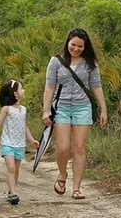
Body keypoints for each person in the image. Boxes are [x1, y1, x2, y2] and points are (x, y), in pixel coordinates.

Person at [42, 28, 108, 200]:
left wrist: (103, 109)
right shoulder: (56, 61)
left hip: (82, 107)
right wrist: (46, 110)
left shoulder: (90, 63)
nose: (76, 49)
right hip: (61, 107)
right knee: (63, 148)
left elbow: (96, 86)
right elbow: (49, 87)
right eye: (73, 45)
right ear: (67, 43)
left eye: (80, 46)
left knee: (79, 147)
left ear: (85, 47)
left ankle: (77, 188)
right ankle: (62, 175)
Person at [0, 80, 39, 205]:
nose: (23, 91)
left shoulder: (23, 110)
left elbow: (24, 127)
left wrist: (32, 140)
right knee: (11, 168)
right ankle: (13, 193)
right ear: (15, 94)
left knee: (17, 169)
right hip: (8, 143)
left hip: (20, 144)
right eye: (21, 89)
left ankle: (11, 190)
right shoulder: (6, 109)